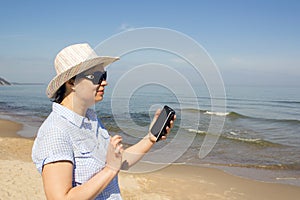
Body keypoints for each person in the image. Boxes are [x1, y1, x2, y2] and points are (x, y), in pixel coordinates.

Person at [32, 43, 176, 200]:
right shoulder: (55, 131)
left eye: (104, 76)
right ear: (71, 82)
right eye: (96, 77)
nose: (104, 82)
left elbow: (119, 162)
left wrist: (149, 138)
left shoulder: (91, 120)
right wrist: (110, 169)